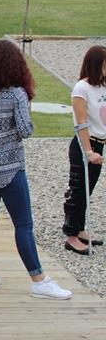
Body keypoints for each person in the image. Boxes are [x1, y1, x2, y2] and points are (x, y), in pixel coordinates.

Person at [0, 39, 72, 299]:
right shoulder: (16, 94)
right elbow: (25, 130)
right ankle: (39, 280)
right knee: (23, 224)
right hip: (10, 168)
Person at [62, 45, 106, 255]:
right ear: (96, 65)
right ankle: (71, 235)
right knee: (78, 190)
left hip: (99, 144)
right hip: (84, 145)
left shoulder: (103, 86)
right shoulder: (82, 88)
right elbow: (81, 122)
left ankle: (79, 229)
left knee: (87, 190)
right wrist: (89, 152)